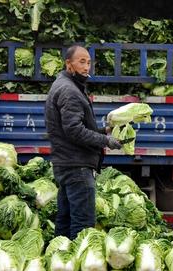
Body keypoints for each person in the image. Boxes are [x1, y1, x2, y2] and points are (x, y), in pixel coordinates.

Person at [45, 45, 122, 240]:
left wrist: (103, 131)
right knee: (83, 223)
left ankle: (60, 259)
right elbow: (74, 131)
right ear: (68, 64)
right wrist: (105, 140)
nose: (87, 67)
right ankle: (76, 264)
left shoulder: (64, 85)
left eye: (88, 62)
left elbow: (71, 128)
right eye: (81, 62)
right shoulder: (70, 91)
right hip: (76, 166)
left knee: (65, 219)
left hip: (67, 163)